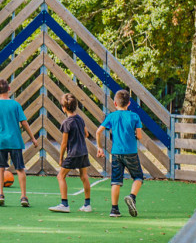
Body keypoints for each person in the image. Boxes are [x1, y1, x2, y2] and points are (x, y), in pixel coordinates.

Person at [0, 78, 38, 207]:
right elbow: (24, 123)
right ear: (9, 88)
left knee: (0, 168)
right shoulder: (15, 105)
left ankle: (0, 194)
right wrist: (33, 138)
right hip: (15, 141)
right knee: (20, 169)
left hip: (1, 141)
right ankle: (24, 196)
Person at [96, 89, 143, 217]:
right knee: (138, 177)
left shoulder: (111, 116)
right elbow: (139, 136)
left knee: (116, 181)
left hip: (116, 153)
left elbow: (98, 131)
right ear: (129, 103)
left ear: (115, 104)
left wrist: (99, 147)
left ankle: (114, 209)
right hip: (131, 152)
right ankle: (132, 197)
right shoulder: (134, 116)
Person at [49, 93, 92, 213]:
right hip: (83, 152)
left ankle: (64, 204)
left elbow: (64, 143)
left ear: (63, 107)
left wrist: (61, 158)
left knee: (60, 176)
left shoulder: (66, 123)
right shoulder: (80, 118)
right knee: (84, 176)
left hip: (73, 153)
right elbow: (86, 134)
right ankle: (87, 205)